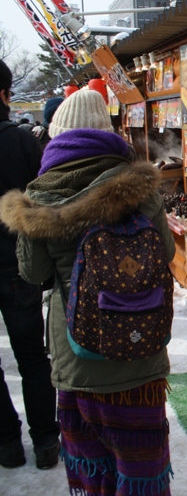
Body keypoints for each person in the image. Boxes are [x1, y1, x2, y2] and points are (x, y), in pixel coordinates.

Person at [0, 88, 176, 494]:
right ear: (107, 133)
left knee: (92, 471)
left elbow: (32, 272)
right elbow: (164, 251)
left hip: (76, 356)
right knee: (141, 472)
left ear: (57, 137)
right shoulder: (140, 186)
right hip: (139, 354)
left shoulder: (39, 195)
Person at [0, 59, 60, 470]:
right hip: (15, 267)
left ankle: (6, 441)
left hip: (14, 269)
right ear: (5, 95)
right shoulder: (20, 141)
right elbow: (41, 203)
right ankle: (45, 441)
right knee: (33, 357)